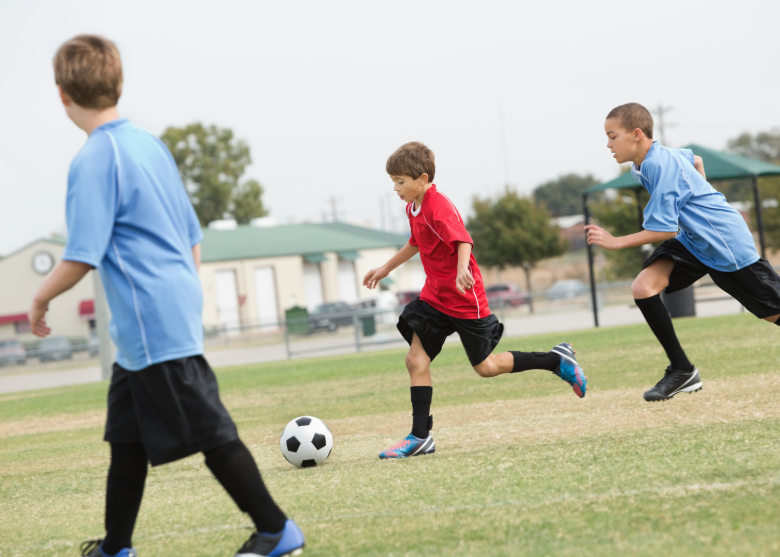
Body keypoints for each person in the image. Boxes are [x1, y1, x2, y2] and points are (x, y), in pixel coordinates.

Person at [31, 35, 305, 557]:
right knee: (126, 440)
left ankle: (276, 530)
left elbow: (82, 253)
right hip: (154, 318)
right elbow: (192, 234)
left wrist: (40, 299)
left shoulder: (94, 158)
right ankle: (115, 547)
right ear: (118, 83)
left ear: (62, 93)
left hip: (149, 320)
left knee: (211, 431)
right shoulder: (148, 144)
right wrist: (179, 292)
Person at [586, 102, 780, 402]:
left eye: (612, 136)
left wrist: (615, 241)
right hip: (695, 240)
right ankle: (682, 370)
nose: (608, 144)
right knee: (643, 288)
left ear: (636, 134)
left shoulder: (658, 164)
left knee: (776, 313)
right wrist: (701, 195)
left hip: (725, 242)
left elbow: (665, 230)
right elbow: (694, 160)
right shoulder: (644, 164)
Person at [363, 142, 587, 459]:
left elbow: (463, 240)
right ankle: (419, 436)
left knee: (486, 367)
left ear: (422, 179)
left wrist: (460, 270)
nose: (395, 189)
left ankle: (555, 360)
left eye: (400, 182)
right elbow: (416, 242)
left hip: (464, 298)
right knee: (415, 360)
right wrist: (386, 268)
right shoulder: (413, 207)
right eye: (393, 182)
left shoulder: (438, 204)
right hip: (435, 297)